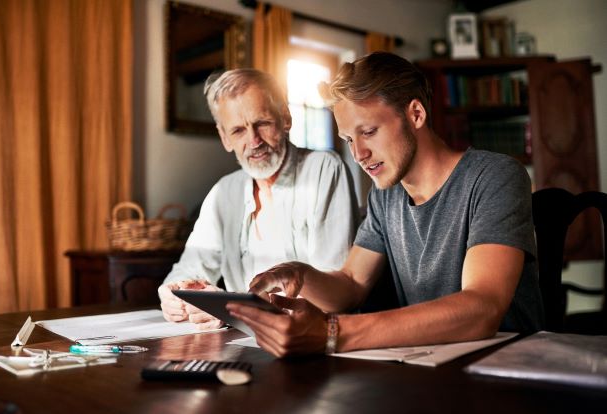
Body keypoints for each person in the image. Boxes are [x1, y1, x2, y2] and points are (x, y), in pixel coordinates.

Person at [227, 52, 544, 357]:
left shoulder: (495, 176)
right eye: (350, 139)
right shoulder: (384, 196)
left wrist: (332, 332)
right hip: (430, 368)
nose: (358, 154)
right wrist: (298, 273)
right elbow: (350, 284)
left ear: (415, 114)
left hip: (505, 369)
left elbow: (482, 307)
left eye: (368, 132)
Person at [158, 68, 359, 329]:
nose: (253, 141)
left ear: (285, 118)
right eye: (238, 130)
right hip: (246, 343)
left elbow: (334, 295)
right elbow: (189, 269)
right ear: (224, 138)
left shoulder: (324, 169)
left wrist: (232, 308)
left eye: (262, 123)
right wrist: (175, 293)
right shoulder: (223, 192)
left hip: (314, 341)